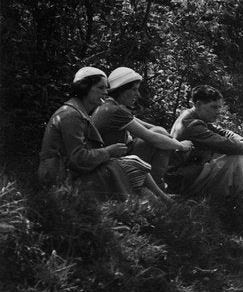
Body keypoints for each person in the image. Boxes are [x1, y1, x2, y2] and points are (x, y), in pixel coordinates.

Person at [38, 67, 133, 200]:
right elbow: (78, 159)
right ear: (84, 88)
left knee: (118, 165)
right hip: (58, 180)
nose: (105, 93)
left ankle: (130, 206)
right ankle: (128, 207)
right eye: (100, 88)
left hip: (67, 174)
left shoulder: (78, 112)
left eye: (106, 88)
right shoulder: (70, 115)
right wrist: (108, 151)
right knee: (112, 166)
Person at [91, 66, 193, 190]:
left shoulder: (112, 105)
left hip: (115, 157)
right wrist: (181, 146)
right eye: (134, 90)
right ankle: (156, 188)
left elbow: (147, 126)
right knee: (159, 136)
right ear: (121, 90)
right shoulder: (115, 110)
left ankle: (159, 185)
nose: (137, 94)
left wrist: (170, 139)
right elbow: (152, 138)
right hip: (111, 163)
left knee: (160, 132)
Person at [166, 85, 243, 210]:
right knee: (235, 159)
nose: (218, 111)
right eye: (214, 107)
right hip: (182, 182)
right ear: (198, 105)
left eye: (219, 107)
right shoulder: (191, 124)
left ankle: (239, 199)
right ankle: (239, 206)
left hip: (189, 173)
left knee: (233, 153)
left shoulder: (192, 116)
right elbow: (223, 144)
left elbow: (223, 132)